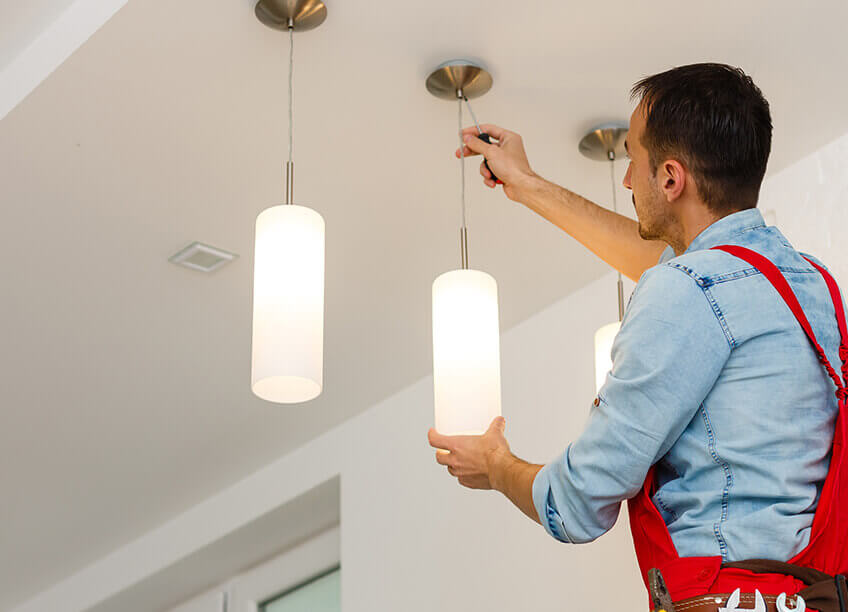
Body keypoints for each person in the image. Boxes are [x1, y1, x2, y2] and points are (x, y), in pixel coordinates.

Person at [428, 63, 848, 611]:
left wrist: (497, 466)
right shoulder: (807, 283)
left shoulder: (687, 293)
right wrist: (529, 185)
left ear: (671, 178)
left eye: (634, 159)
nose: (627, 179)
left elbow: (576, 503)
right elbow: (691, 272)